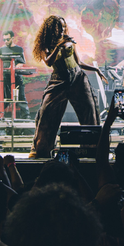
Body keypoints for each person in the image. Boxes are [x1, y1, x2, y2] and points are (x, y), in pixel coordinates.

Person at [29, 15, 104, 159]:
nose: (62, 29)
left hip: (78, 78)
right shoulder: (46, 46)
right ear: (51, 28)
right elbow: (49, 62)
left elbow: (79, 62)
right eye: (58, 27)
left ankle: (92, 149)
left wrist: (96, 70)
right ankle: (41, 150)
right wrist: (58, 46)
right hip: (59, 80)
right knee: (46, 113)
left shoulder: (70, 42)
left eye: (63, 26)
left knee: (90, 112)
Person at [0, 30, 30, 119]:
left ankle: (25, 117)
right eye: (4, 40)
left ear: (12, 38)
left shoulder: (19, 49)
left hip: (16, 77)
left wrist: (15, 67)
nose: (6, 41)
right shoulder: (2, 49)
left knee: (20, 96)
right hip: (4, 77)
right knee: (1, 96)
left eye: (7, 39)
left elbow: (21, 62)